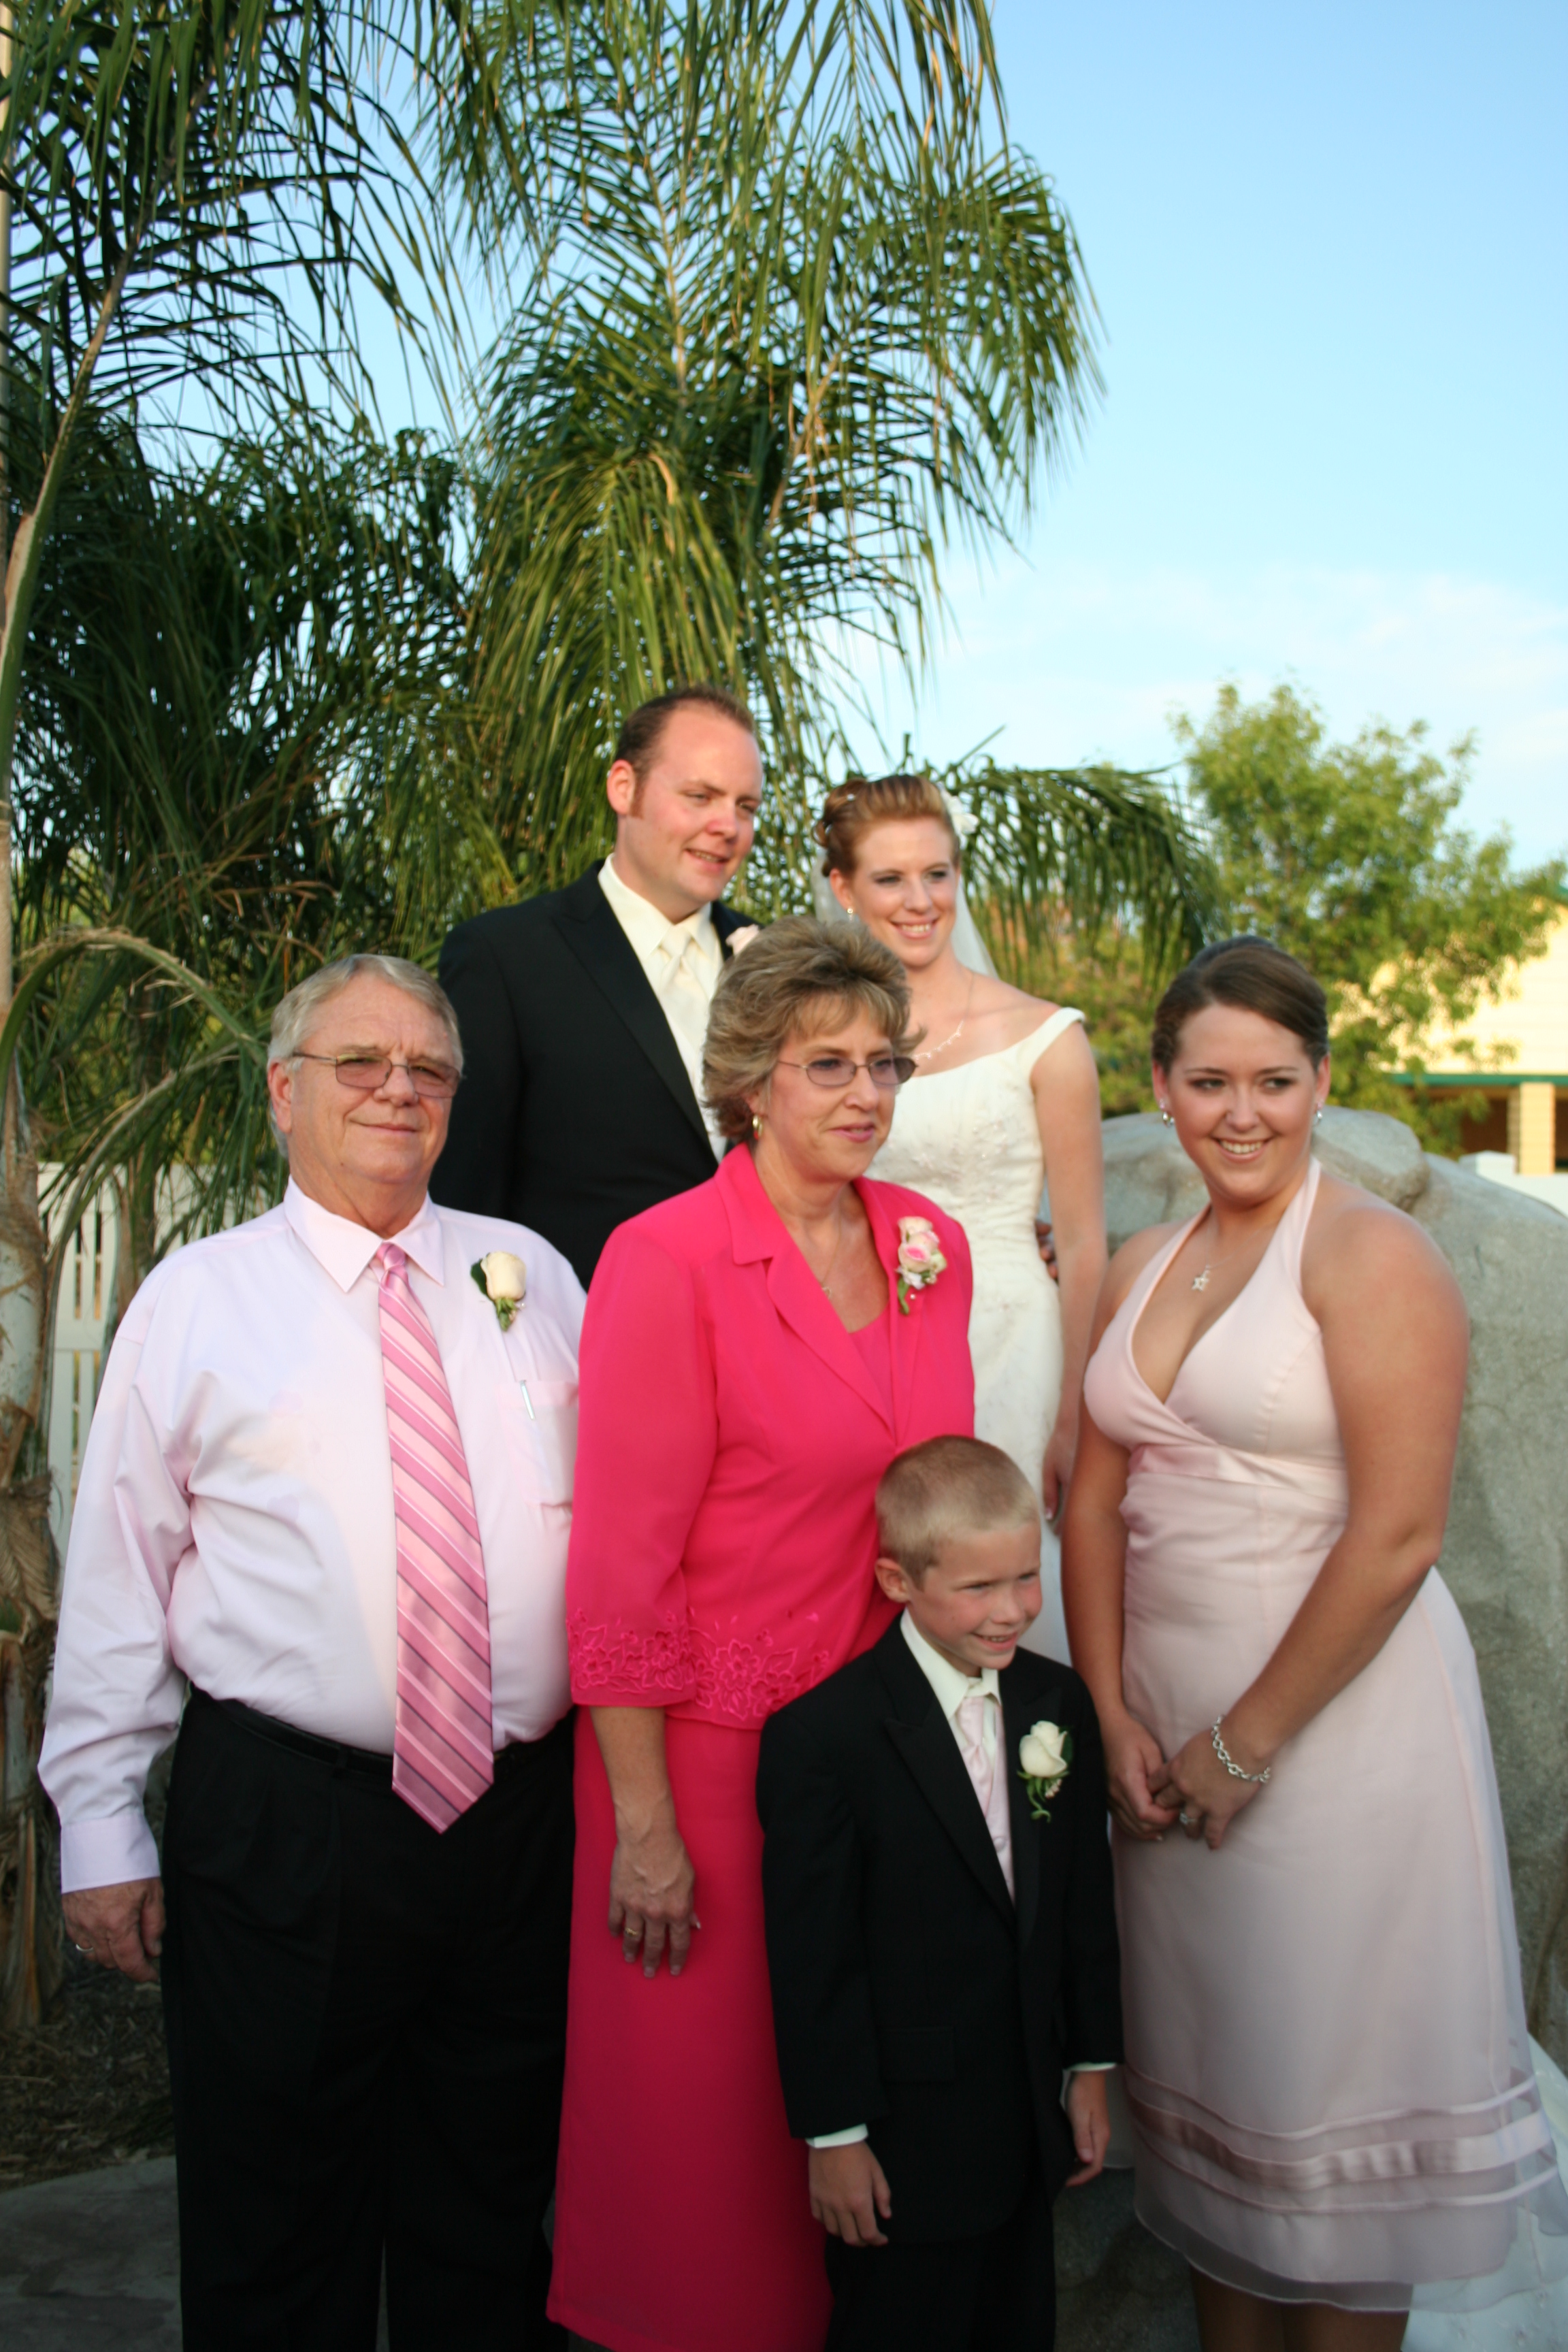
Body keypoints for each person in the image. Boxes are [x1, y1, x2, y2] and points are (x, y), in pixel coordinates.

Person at [39, 954, 587, 2351]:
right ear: (283, 1093)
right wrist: (99, 1822)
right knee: (276, 2226)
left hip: (518, 1827)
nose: (399, 1089)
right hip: (290, 1825)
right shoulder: (197, 1298)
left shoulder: (529, 1273)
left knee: (492, 2209)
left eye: (429, 1068)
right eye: (361, 1062)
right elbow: (120, 1565)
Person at [1062, 936, 1568, 2348]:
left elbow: (1397, 1536)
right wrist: (1110, 1712)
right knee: (1220, 2119)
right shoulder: (1142, 1262)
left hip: (1329, 1744)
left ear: (1321, 1082)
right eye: (1208, 1081)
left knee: (1332, 2141)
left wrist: (1241, 1747)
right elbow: (1091, 1501)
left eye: (1273, 1082)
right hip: (1158, 1755)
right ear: (1160, 1083)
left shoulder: (1371, 1256)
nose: (1241, 1114)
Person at [547, 917, 977, 2352]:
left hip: (886, 1752)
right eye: (825, 1065)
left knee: (863, 2120)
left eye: (883, 1064)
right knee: (710, 2142)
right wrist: (645, 1827)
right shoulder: (666, 1257)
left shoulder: (928, 1245)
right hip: (703, 1769)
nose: (864, 1093)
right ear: (749, 1080)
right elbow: (620, 1565)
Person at [757, 1435, 1123, 2351]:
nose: (1013, 1611)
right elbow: (814, 1957)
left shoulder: (1058, 1705)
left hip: (1026, 2122)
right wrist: (835, 2136)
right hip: (904, 2145)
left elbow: (1082, 1900)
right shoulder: (824, 1738)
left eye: (1026, 1578)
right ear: (898, 1581)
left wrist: (1089, 2065)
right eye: (979, 1587)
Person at [821, 773, 1106, 1662]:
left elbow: (1085, 1243)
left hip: (1014, 1345)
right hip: (872, 1341)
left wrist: (1074, 1421)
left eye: (937, 874)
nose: (921, 901)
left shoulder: (1046, 1039)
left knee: (1008, 1573)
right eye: (891, 879)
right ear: (843, 889)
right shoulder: (827, 1048)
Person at [431, 683, 763, 1285]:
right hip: (578, 1324)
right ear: (623, 787)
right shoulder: (504, 957)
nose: (728, 826)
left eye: (746, 807)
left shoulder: (774, 960)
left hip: (758, 1324)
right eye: (700, 796)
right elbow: (465, 1197)